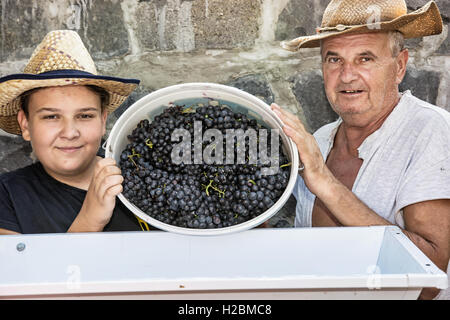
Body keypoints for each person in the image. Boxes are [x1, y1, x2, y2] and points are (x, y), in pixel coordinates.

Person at [271, 0, 450, 300]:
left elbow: (430, 280)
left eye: (365, 59)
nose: (347, 76)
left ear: (400, 66)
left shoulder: (431, 130)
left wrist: (324, 181)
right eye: (334, 59)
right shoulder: (321, 139)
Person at [0, 30, 143, 234]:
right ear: (25, 125)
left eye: (84, 116)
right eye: (51, 117)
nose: (69, 133)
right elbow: (16, 266)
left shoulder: (142, 178)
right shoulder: (8, 197)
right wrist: (90, 219)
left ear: (103, 121)